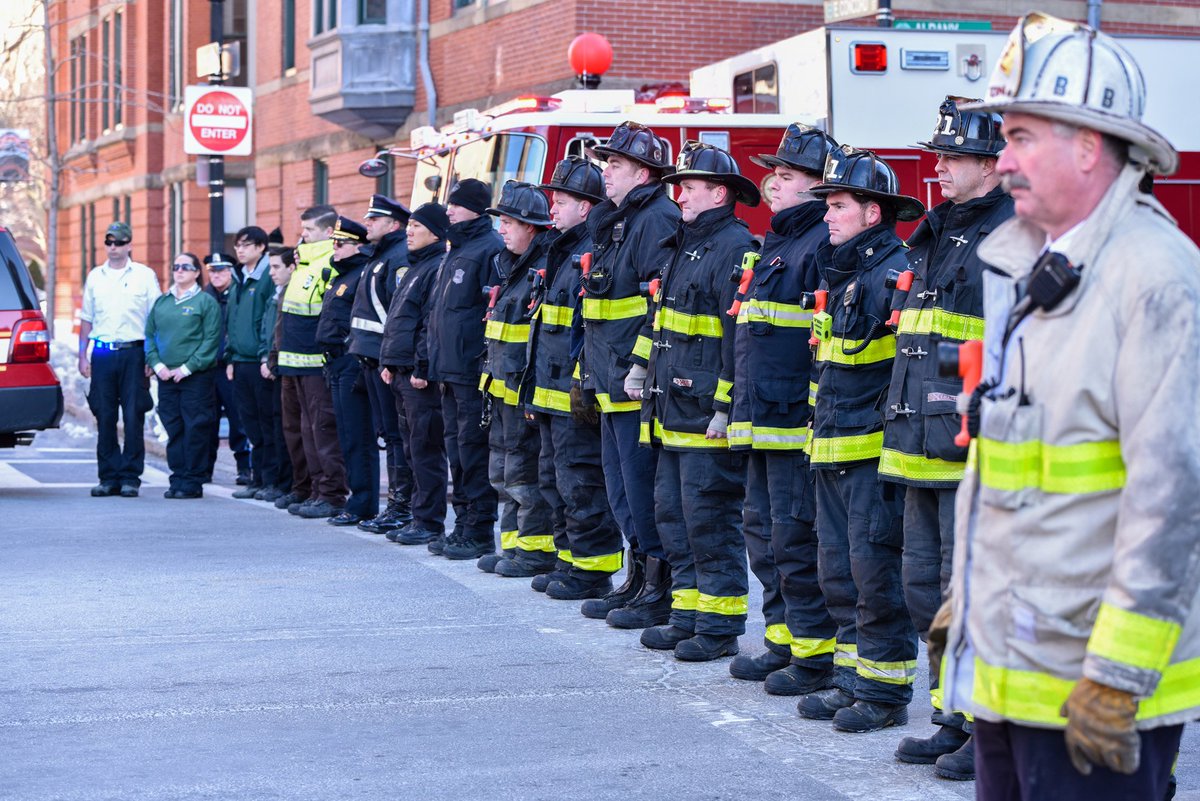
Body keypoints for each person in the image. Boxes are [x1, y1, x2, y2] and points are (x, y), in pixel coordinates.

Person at [936, 14, 1198, 800]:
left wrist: (1117, 676)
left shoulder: (1154, 278)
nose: (1002, 161)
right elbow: (1020, 462)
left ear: (1088, 146)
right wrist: (968, 596)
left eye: (1019, 138)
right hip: (1012, 673)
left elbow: (1174, 498)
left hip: (1092, 696)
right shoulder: (1027, 267)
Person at [884, 97, 1012, 781]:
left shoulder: (1007, 232)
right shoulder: (939, 231)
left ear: (990, 167)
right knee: (921, 591)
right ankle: (949, 715)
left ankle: (982, 731)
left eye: (952, 157)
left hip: (967, 445)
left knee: (965, 595)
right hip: (915, 440)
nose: (937, 168)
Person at [800, 147, 923, 732]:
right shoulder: (845, 272)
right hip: (832, 450)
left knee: (875, 576)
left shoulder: (890, 274)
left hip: (871, 454)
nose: (827, 214)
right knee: (839, 574)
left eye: (839, 205)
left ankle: (883, 692)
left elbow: (901, 370)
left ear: (872, 213)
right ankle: (852, 682)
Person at [628, 142, 760, 661]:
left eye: (690, 187)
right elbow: (658, 319)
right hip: (668, 410)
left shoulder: (733, 247)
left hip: (704, 414)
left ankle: (719, 626)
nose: (679, 195)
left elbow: (736, 340)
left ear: (719, 192)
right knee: (674, 518)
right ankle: (687, 614)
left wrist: (727, 409)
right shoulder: (684, 243)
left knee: (709, 521)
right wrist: (640, 366)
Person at [727, 124, 841, 694]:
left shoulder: (819, 243)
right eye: (775, 173)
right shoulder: (779, 240)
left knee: (795, 540)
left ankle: (813, 655)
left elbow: (820, 340)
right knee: (764, 537)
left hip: (794, 422)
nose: (773, 183)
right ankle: (782, 640)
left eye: (788, 175)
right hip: (759, 419)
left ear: (819, 187)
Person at [579, 121, 680, 628]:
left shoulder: (655, 219)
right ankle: (637, 578)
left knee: (641, 492)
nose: (605, 172)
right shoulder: (619, 221)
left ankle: (657, 590)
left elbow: (655, 306)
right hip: (608, 379)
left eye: (614, 165)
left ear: (642, 172)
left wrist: (637, 368)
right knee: (621, 492)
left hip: (631, 384)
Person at [523, 156, 625, 599]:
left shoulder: (588, 251)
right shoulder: (561, 250)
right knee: (556, 481)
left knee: (581, 481)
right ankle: (568, 559)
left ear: (586, 207)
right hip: (550, 391)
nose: (552, 209)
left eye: (560, 201)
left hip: (573, 393)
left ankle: (592, 570)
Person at [478, 182, 558, 578]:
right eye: (502, 222)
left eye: (510, 222)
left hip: (524, 393)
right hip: (500, 390)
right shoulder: (508, 265)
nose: (503, 229)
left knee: (526, 475)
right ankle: (511, 545)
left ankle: (534, 551)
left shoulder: (542, 267)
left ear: (533, 227)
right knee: (503, 474)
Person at [426, 179, 504, 559]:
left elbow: (488, 314)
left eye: (455, 205)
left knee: (473, 451)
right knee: (457, 451)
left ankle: (479, 530)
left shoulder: (488, 249)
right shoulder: (456, 249)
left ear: (474, 208)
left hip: (471, 370)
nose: (449, 211)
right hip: (449, 370)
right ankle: (462, 525)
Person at [379, 203, 452, 546]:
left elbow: (429, 323)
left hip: (418, 376)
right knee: (411, 448)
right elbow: (398, 320)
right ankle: (416, 517)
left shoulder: (434, 267)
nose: (408, 231)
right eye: (407, 226)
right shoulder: (416, 266)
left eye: (416, 226)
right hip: (402, 372)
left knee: (425, 449)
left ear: (435, 233)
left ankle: (428, 521)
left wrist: (422, 366)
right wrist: (388, 362)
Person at [78, 221, 161, 498]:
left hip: (134, 353)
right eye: (109, 242)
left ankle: (130, 477)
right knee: (104, 415)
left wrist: (152, 355)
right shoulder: (95, 277)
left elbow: (154, 319)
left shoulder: (144, 276)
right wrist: (83, 354)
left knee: (134, 415)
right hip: (103, 354)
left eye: (119, 243)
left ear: (129, 245)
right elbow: (87, 320)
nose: (114, 248)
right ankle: (108, 476)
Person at [278, 204, 347, 519]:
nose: (302, 236)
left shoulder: (327, 264)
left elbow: (330, 317)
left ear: (328, 232)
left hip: (317, 364)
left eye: (308, 231)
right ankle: (313, 489)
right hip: (293, 363)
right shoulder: (302, 263)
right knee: (304, 430)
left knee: (322, 429)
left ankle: (331, 494)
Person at [351, 194, 415, 535]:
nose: (367, 223)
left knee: (396, 436)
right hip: (371, 358)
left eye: (374, 219)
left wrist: (390, 357)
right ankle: (396, 505)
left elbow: (397, 314)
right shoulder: (379, 256)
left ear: (393, 224)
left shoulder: (396, 257)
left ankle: (401, 506)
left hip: (385, 360)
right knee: (389, 436)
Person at [144, 253, 221, 499]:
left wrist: (187, 368)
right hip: (166, 377)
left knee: (195, 428)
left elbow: (211, 341)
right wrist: (157, 365)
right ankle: (177, 477)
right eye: (176, 266)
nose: (179, 271)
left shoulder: (205, 302)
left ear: (197, 272)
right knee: (173, 428)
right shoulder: (162, 302)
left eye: (186, 267)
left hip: (194, 377)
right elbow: (149, 336)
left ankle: (193, 480)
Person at [317, 217, 377, 526]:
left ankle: (363, 503)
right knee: (345, 434)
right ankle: (358, 500)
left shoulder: (361, 274)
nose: (335, 249)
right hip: (336, 362)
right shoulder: (343, 275)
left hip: (351, 361)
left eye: (340, 244)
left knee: (358, 436)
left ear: (357, 246)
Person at [226, 226, 281, 500]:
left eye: (246, 245)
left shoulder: (266, 277)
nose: (240, 249)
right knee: (250, 424)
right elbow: (232, 320)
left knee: (267, 422)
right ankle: (257, 478)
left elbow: (267, 321)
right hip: (240, 361)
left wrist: (265, 355)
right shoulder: (238, 276)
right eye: (238, 245)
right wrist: (230, 356)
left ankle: (272, 480)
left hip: (259, 362)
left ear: (261, 247)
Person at [202, 252, 251, 484]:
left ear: (231, 271)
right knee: (207, 420)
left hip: (230, 367)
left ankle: (244, 468)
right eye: (212, 270)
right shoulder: (204, 297)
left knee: (238, 419)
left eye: (221, 270)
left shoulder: (239, 294)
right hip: (207, 367)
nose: (217, 275)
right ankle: (205, 468)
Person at [259, 244, 295, 502]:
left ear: (291, 267)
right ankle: (277, 482)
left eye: (276, 267)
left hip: (287, 368)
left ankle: (289, 484)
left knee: (288, 430)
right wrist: (267, 357)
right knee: (273, 427)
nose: (271, 272)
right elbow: (267, 330)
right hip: (272, 365)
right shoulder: (276, 293)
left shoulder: (291, 293)